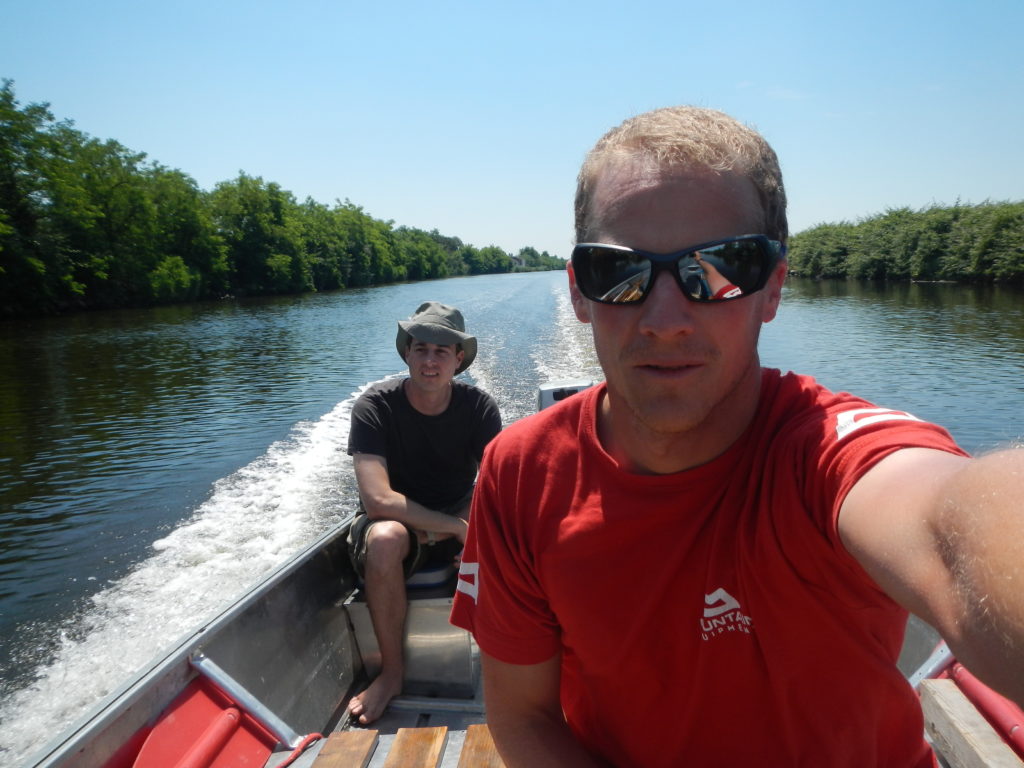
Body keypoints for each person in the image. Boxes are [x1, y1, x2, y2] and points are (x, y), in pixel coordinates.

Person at [449, 106, 1024, 767]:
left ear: (773, 288)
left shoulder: (827, 457)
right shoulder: (522, 473)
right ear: (580, 292)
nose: (665, 319)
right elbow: (524, 716)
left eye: (718, 269)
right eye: (620, 272)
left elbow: (954, 528)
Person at [347, 300, 501, 725]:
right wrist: (457, 529)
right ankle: (392, 674)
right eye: (420, 349)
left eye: (441, 351)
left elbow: (494, 482)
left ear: (459, 360)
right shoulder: (375, 407)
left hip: (458, 511)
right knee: (385, 540)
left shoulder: (478, 408)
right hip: (396, 523)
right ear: (407, 354)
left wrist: (477, 531)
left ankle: (515, 670)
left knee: (520, 535)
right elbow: (378, 500)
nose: (430, 360)